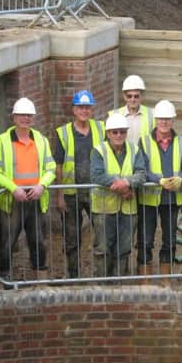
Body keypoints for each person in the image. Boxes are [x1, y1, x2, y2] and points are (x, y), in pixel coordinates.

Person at [0, 97, 55, 281]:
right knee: (6, 242)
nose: (26, 118)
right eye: (22, 115)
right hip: (12, 199)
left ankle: (39, 280)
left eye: (29, 115)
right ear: (14, 117)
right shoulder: (2, 142)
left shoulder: (40, 140)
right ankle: (3, 281)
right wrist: (13, 188)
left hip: (36, 198)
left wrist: (42, 186)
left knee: (38, 241)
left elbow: (50, 169)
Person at [137, 100, 182, 283]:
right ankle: (145, 281)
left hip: (171, 200)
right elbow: (141, 168)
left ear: (173, 120)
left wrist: (181, 179)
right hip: (148, 201)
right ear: (156, 120)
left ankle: (165, 280)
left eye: (167, 119)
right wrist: (158, 180)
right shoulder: (144, 141)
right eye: (161, 119)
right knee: (145, 241)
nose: (164, 122)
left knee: (169, 241)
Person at [54, 90, 105, 278]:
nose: (84, 110)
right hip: (70, 192)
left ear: (91, 109)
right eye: (80, 107)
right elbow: (58, 165)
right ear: (74, 109)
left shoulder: (101, 129)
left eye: (87, 107)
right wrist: (59, 195)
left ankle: (102, 275)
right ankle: (74, 276)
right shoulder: (63, 133)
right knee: (72, 238)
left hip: (96, 192)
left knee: (102, 234)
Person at [90, 114, 146, 277]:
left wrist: (126, 182)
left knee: (124, 248)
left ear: (126, 133)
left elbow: (141, 174)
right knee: (103, 249)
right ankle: (102, 285)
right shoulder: (99, 150)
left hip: (128, 210)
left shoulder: (135, 149)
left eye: (122, 132)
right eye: (115, 132)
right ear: (108, 133)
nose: (119, 135)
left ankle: (119, 284)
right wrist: (123, 187)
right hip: (104, 209)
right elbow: (96, 175)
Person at [108, 74, 155, 146]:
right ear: (124, 96)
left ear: (141, 96)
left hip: (145, 156)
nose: (133, 100)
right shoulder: (114, 115)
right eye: (129, 96)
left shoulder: (152, 114)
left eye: (136, 96)